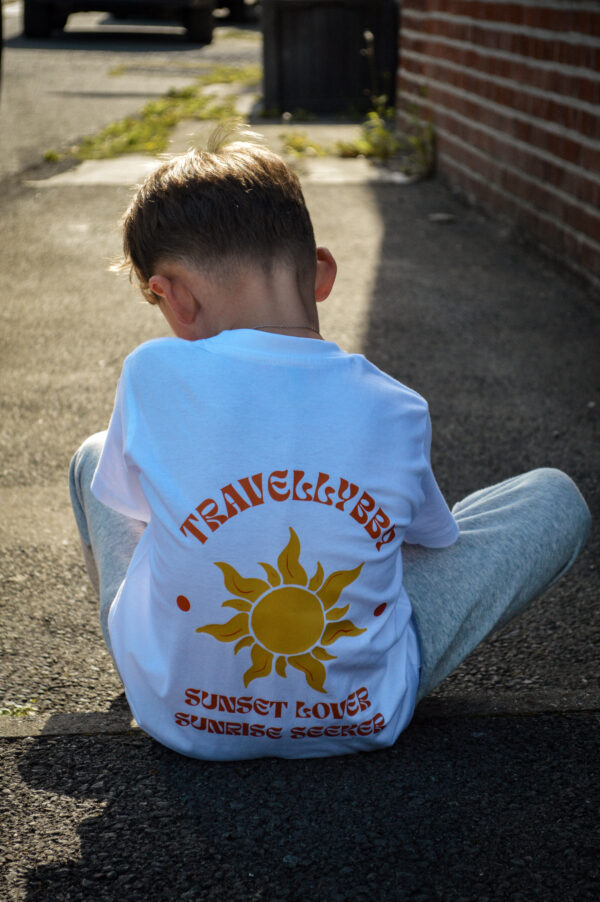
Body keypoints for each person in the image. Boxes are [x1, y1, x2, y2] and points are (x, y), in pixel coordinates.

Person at [69, 128, 590, 761]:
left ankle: (158, 667)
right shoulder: (397, 406)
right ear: (321, 274)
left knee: (96, 455)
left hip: (179, 718)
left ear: (172, 296)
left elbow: (146, 515)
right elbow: (429, 542)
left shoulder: (150, 372)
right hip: (362, 713)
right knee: (554, 497)